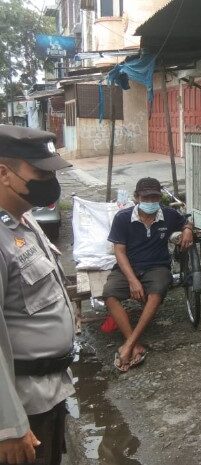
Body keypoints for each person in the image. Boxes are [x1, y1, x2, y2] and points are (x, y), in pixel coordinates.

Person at [0, 126, 75, 465]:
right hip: (23, 407)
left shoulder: (23, 220)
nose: (49, 180)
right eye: (40, 172)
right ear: (4, 173)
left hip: (49, 391)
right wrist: (9, 426)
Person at [102, 177, 194, 372]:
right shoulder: (123, 218)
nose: (151, 202)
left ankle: (128, 345)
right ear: (136, 197)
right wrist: (132, 280)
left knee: (157, 290)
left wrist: (187, 230)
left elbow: (186, 221)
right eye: (146, 197)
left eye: (155, 197)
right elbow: (119, 251)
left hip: (157, 267)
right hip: (128, 267)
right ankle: (133, 344)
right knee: (109, 293)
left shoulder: (168, 215)